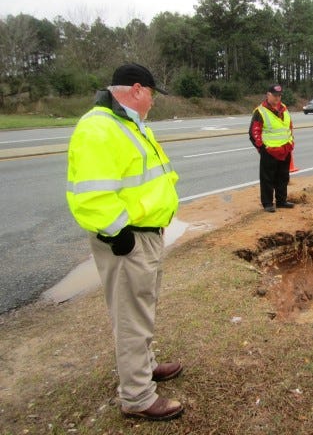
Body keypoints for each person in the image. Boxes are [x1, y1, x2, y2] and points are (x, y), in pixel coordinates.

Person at [66, 63, 184, 421]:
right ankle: (137, 396)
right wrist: (119, 234)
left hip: (144, 235)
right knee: (132, 316)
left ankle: (144, 367)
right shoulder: (99, 128)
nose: (152, 102)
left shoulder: (125, 124)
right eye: (151, 94)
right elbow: (89, 194)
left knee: (140, 309)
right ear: (136, 89)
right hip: (127, 240)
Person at [249, 84, 295, 212]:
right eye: (275, 95)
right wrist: (262, 149)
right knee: (268, 179)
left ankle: (281, 201)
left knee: (283, 177)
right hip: (269, 151)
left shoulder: (284, 108)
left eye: (279, 96)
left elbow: (288, 126)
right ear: (268, 95)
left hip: (285, 149)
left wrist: (290, 142)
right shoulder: (260, 111)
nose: (277, 98)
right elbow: (254, 133)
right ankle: (268, 203)